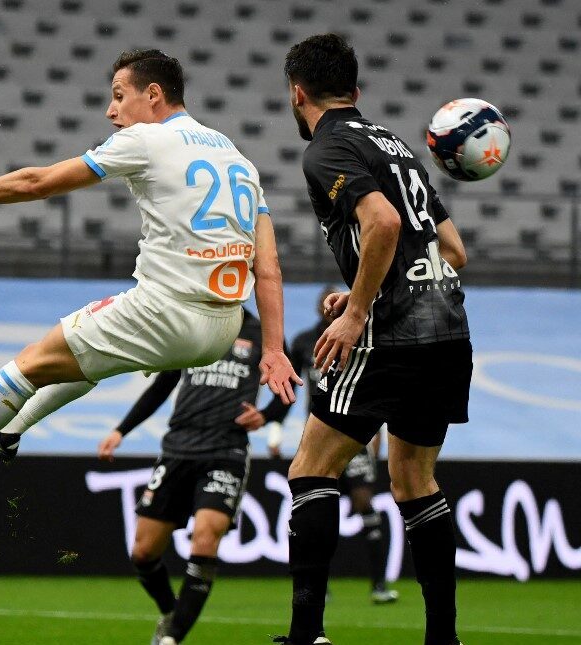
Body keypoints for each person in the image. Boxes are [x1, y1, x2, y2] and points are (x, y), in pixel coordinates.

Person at [0, 49, 302, 508]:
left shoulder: (146, 139)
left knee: (29, 364)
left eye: (119, 96)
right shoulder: (237, 159)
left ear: (153, 94)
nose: (111, 110)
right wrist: (273, 349)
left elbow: (38, 182)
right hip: (223, 329)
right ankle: (10, 430)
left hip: (167, 311)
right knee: (92, 355)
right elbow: (268, 267)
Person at [275, 35, 471, 645]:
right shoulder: (397, 146)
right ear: (355, 92)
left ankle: (307, 634)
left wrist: (359, 309)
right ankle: (443, 638)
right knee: (414, 482)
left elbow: (382, 221)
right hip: (448, 330)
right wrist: (365, 286)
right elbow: (454, 252)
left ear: (297, 93)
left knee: (311, 469)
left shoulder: (327, 148)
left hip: (392, 334)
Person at [96, 307, 292, 645]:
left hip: (226, 450)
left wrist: (265, 415)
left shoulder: (263, 334)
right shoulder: (193, 323)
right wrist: (121, 430)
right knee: (143, 552)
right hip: (178, 449)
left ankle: (172, 637)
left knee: (204, 538)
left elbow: (286, 390)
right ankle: (171, 611)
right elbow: (163, 384)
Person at [289, 286, 399, 605]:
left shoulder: (362, 336)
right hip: (319, 437)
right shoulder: (303, 342)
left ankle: (378, 585)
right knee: (317, 507)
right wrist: (275, 431)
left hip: (356, 436)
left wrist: (376, 437)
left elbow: (376, 388)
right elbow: (291, 389)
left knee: (365, 504)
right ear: (320, 309)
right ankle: (317, 585)